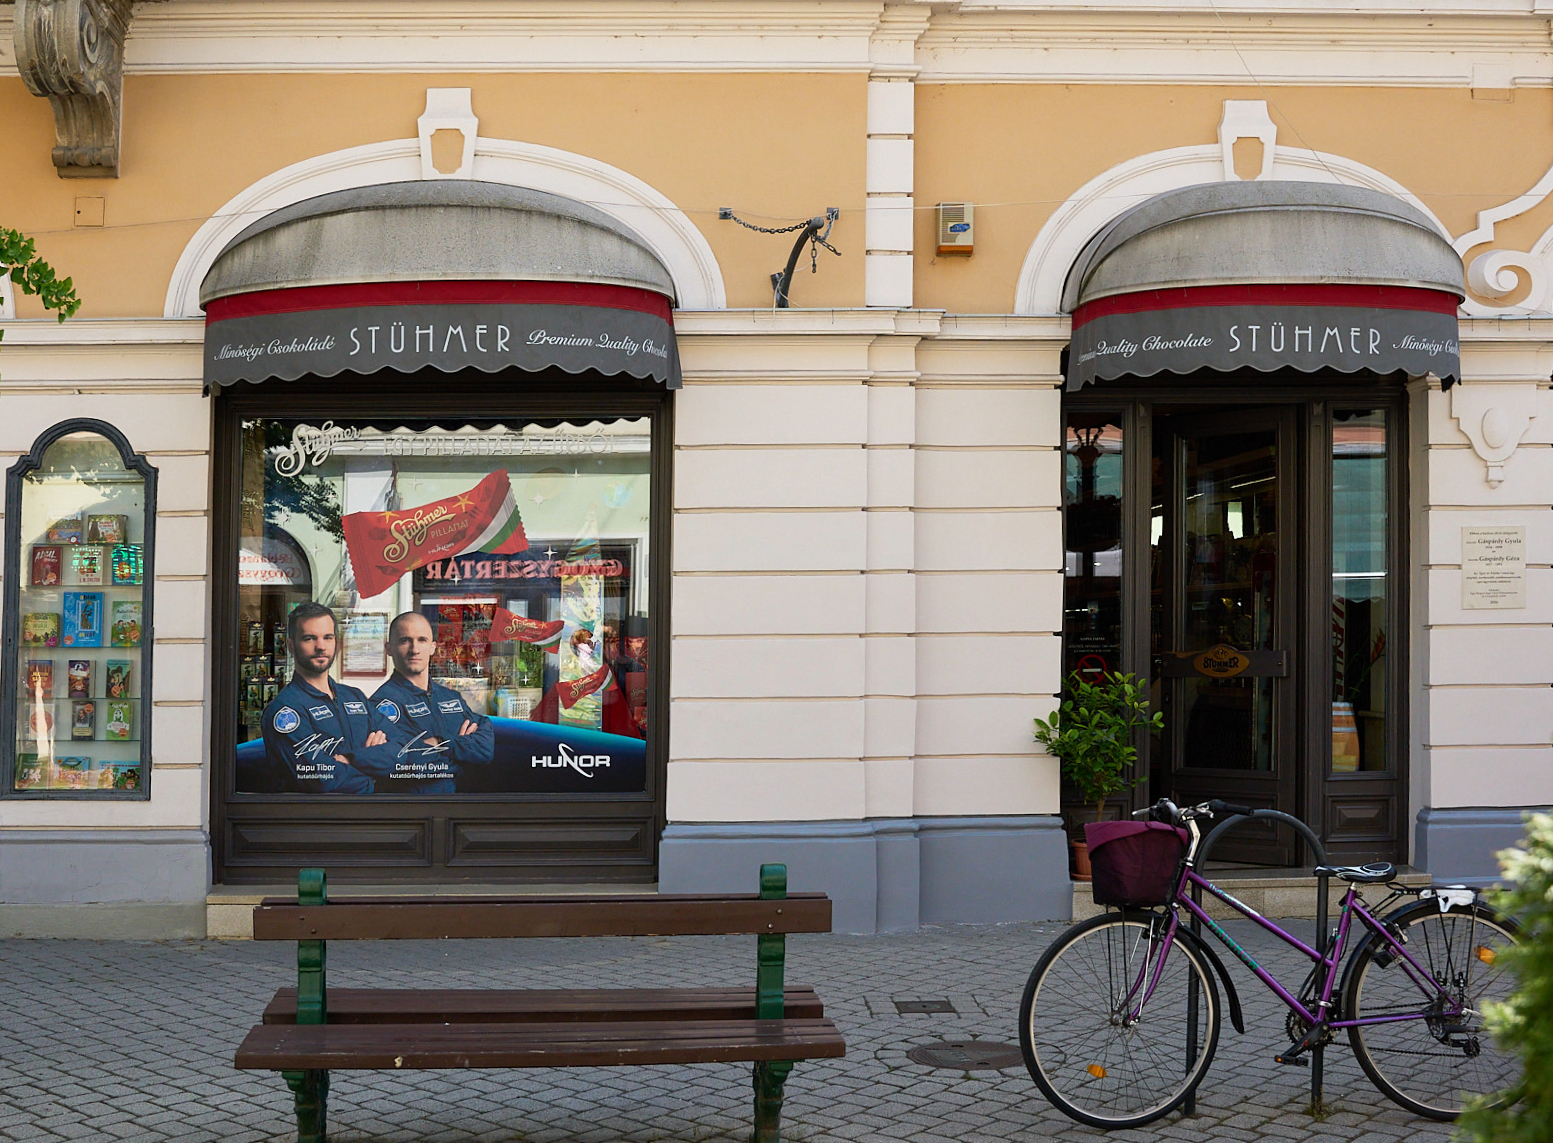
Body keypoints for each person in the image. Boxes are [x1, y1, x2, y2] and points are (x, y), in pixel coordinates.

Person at [260, 602, 400, 793]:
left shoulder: (355, 697)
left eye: (328, 637)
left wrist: (352, 759)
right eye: (309, 638)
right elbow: (320, 779)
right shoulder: (286, 711)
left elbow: (402, 748)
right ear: (291, 646)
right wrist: (377, 776)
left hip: (367, 810)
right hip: (319, 812)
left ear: (336, 642)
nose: (321, 647)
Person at [370, 610, 494, 794]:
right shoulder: (382, 704)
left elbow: (485, 749)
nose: (414, 649)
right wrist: (460, 756)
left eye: (422, 640)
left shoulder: (450, 698)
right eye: (405, 641)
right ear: (389, 648)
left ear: (433, 647)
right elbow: (408, 764)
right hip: (410, 807)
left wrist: (440, 742)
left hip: (452, 804)